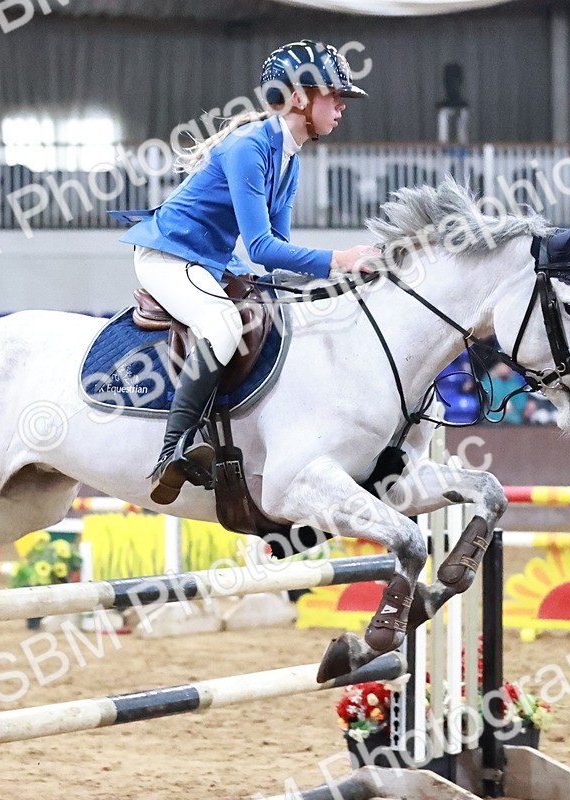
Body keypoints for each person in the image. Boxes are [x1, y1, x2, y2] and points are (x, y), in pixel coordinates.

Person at [121, 39, 379, 505]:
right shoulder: (248, 147)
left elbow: (269, 257)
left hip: (214, 259)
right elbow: (261, 244)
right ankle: (171, 452)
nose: (341, 105)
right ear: (299, 96)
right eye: (333, 95)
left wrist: (336, 281)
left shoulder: (290, 157)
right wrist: (338, 258)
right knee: (221, 328)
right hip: (170, 255)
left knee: (271, 310)